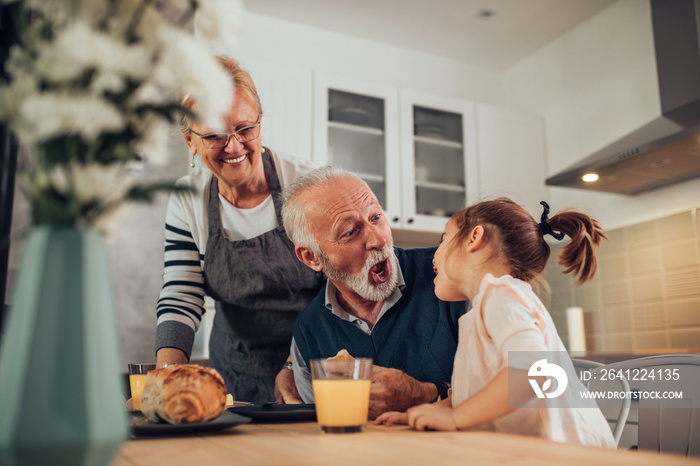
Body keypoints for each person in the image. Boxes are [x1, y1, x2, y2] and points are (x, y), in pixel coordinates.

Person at [375, 199, 615, 447]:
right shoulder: (483, 308)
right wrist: (417, 415)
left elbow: (535, 372)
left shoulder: (500, 294)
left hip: (571, 454)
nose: (434, 254)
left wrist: (456, 417)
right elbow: (467, 397)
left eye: (443, 239)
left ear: (474, 237)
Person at [154, 55, 325, 404]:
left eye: (245, 129)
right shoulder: (189, 200)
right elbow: (182, 293)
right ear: (191, 142)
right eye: (215, 135)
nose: (233, 147)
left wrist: (296, 364)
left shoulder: (305, 184)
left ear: (260, 122)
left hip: (313, 360)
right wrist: (166, 376)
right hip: (234, 370)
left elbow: (338, 287)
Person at [280, 166, 467, 419]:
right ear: (311, 257)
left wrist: (428, 394)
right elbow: (318, 430)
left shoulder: (456, 274)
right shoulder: (309, 330)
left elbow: (539, 387)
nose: (377, 239)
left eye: (376, 217)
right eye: (350, 232)